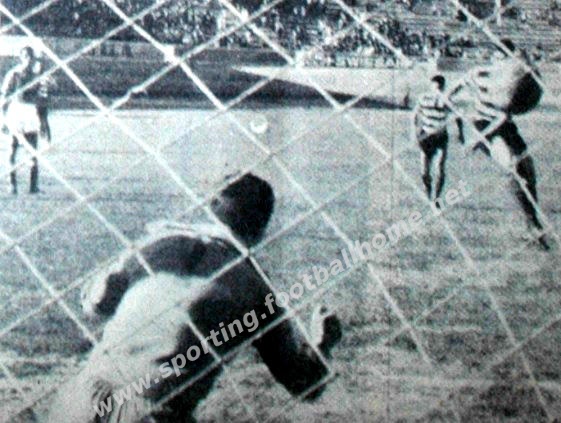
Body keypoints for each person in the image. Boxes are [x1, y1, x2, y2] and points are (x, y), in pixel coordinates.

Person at [47, 173, 342, 422]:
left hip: (80, 398)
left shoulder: (160, 242)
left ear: (212, 208)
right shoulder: (256, 289)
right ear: (261, 229)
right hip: (151, 412)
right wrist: (322, 343)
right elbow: (304, 384)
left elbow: (96, 304)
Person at [459, 39, 549, 250]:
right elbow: (455, 88)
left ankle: (532, 223)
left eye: (508, 57)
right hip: (483, 126)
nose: (504, 60)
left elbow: (504, 115)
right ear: (495, 56)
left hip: (504, 125)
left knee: (528, 171)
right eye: (501, 55)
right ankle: (532, 225)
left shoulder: (512, 78)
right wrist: (471, 136)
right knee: (511, 166)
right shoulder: (479, 73)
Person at [0, 46, 46, 194]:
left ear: (34, 59)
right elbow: (5, 97)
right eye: (26, 56)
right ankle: (12, 185)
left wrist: (43, 122)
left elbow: (41, 99)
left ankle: (33, 186)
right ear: (21, 58)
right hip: (16, 111)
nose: (29, 59)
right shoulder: (14, 74)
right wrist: (3, 119)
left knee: (32, 150)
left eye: (31, 57)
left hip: (30, 113)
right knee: (12, 149)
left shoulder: (37, 77)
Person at [413, 74, 464, 203]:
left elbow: (458, 116)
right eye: (435, 87)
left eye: (439, 88)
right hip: (426, 136)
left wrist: (460, 133)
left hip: (440, 137)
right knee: (424, 171)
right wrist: (414, 133)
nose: (437, 90)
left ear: (443, 87)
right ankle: (428, 189)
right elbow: (415, 115)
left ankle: (437, 197)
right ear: (431, 86)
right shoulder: (423, 98)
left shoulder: (446, 100)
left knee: (440, 167)